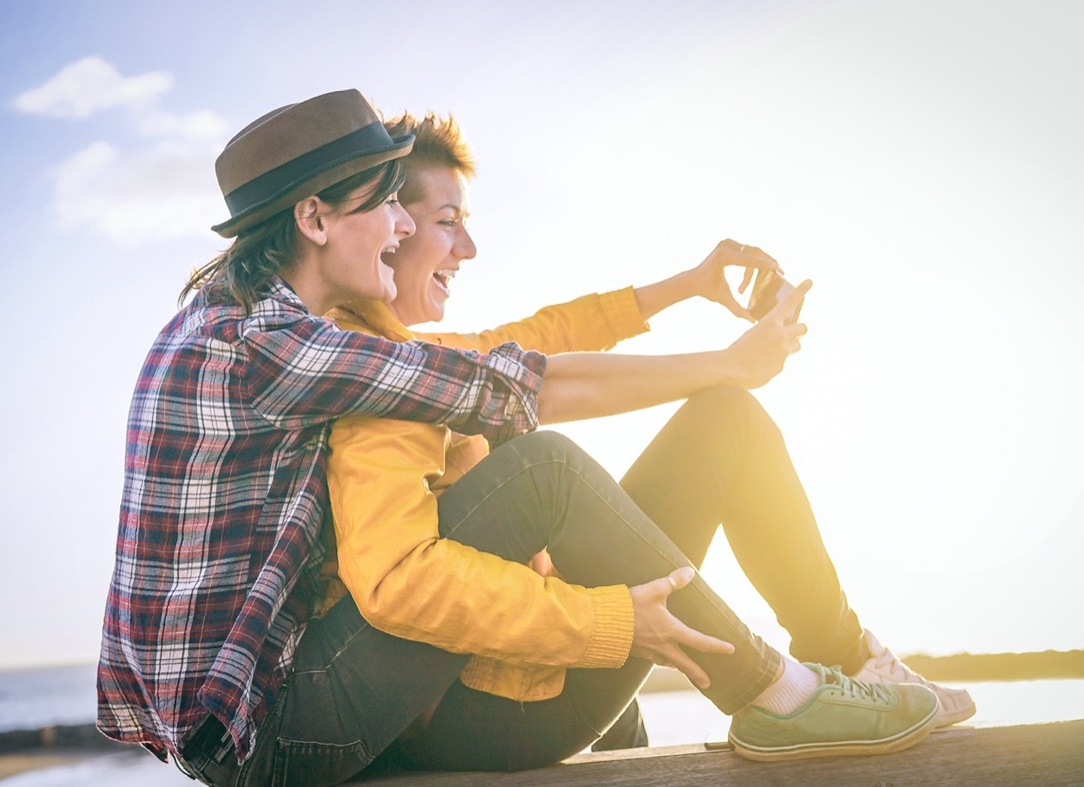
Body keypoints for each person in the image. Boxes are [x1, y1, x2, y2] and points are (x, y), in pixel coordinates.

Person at [96, 89, 937, 787]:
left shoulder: (237, 322)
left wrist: (685, 289)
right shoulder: (289, 350)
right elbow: (510, 408)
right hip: (274, 727)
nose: (400, 227)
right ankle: (780, 690)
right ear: (315, 217)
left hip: (248, 717)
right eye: (389, 205)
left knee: (654, 442)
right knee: (543, 471)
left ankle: (829, 669)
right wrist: (612, 619)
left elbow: (526, 345)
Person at [310, 112, 970, 779]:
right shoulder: (372, 372)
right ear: (392, 227)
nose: (470, 248)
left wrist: (691, 284)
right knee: (701, 428)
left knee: (719, 417)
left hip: (510, 682)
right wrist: (611, 617)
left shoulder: (417, 355)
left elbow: (547, 335)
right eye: (448, 221)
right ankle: (801, 684)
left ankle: (842, 666)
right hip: (483, 715)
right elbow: (400, 581)